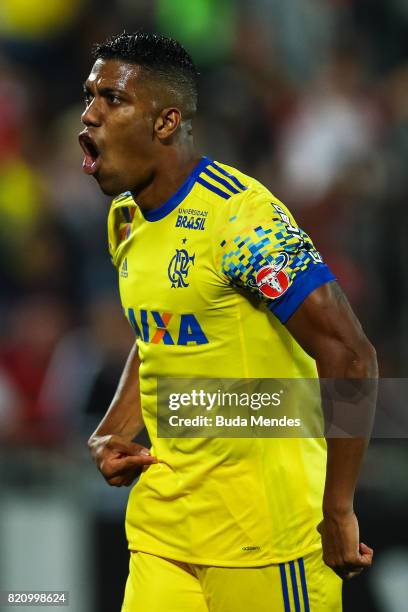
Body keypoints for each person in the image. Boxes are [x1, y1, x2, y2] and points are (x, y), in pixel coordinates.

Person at [80, 32, 377, 612]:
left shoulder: (244, 222)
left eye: (112, 99)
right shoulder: (123, 221)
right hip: (163, 533)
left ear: (167, 122)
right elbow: (159, 333)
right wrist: (113, 428)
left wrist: (338, 507)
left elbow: (350, 354)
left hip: (269, 538)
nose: (89, 114)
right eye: (89, 95)